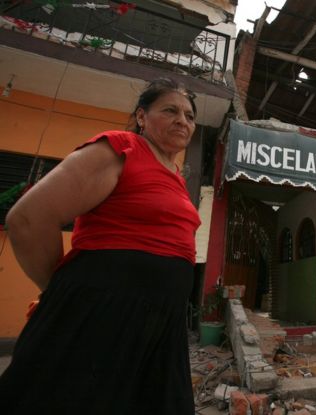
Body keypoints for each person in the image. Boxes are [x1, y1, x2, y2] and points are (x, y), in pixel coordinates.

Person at [0, 78, 201, 414]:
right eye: (170, 110)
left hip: (161, 323)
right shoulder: (121, 149)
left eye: (190, 115)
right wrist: (62, 295)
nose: (183, 120)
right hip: (102, 313)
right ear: (141, 116)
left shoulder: (176, 177)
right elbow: (28, 219)